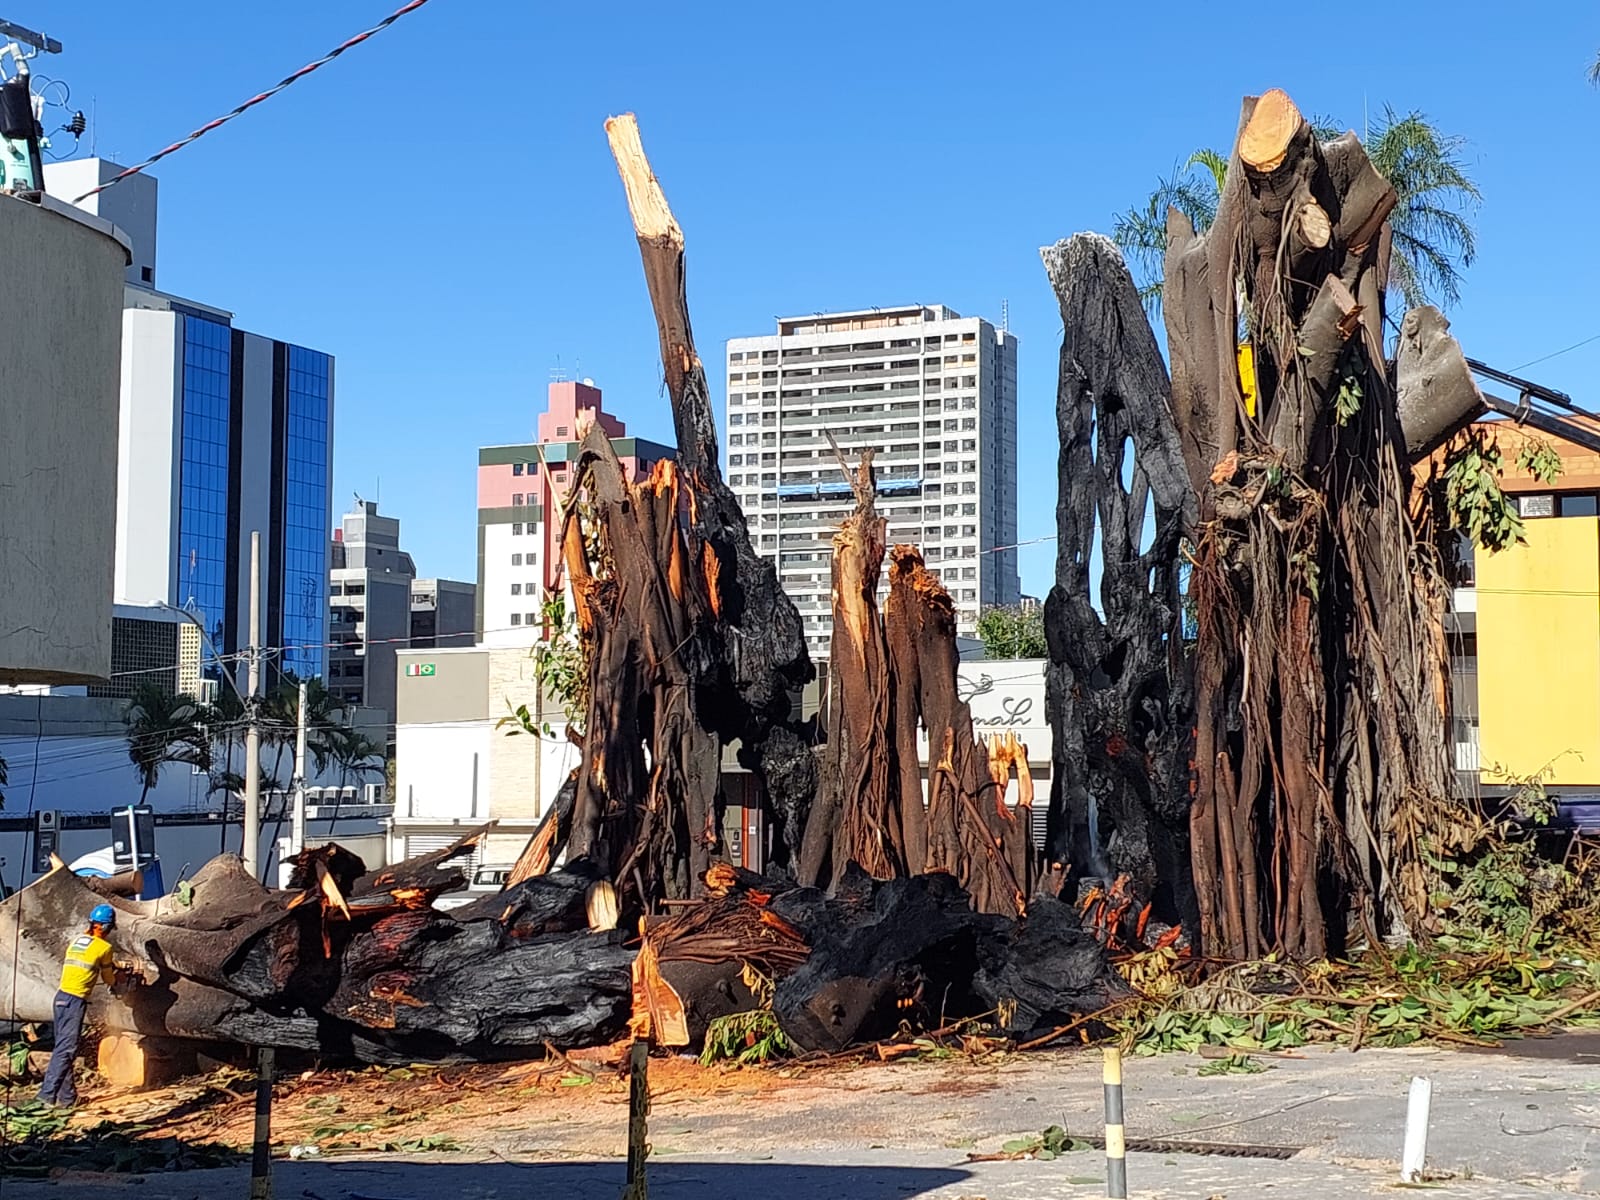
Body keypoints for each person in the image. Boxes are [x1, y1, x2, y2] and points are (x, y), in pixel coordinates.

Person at [37, 903, 121, 1108]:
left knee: (62, 1048)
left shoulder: (76, 941)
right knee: (66, 1050)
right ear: (103, 927)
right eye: (109, 929)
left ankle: (67, 1098)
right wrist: (118, 978)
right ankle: (45, 1097)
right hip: (75, 1001)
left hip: (60, 998)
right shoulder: (105, 948)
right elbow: (109, 979)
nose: (109, 933)